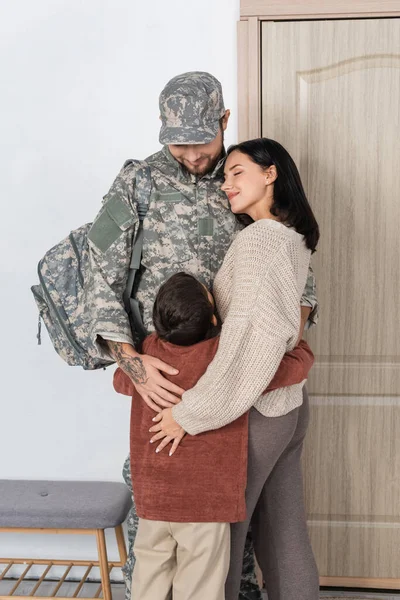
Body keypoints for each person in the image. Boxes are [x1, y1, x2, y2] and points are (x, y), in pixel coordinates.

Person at [85, 72, 319, 600]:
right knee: (158, 529)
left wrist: (288, 354)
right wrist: (134, 367)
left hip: (240, 383)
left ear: (223, 121)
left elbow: (298, 283)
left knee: (227, 535)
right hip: (165, 380)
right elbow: (97, 273)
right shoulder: (137, 184)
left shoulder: (243, 182)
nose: (191, 153)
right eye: (178, 141)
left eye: (201, 139)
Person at [150, 138, 321, 600]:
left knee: (219, 533)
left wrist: (189, 413)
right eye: (224, 176)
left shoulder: (261, 241)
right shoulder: (290, 238)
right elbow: (286, 327)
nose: (226, 184)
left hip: (258, 412)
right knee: (284, 530)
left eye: (237, 172)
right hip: (286, 407)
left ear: (271, 174)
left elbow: (249, 341)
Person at [114, 271, 314, 600]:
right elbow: (285, 370)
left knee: (148, 581)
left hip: (153, 499)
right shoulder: (225, 358)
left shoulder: (147, 357)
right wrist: (302, 348)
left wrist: (137, 362)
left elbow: (120, 383)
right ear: (212, 315)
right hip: (204, 504)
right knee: (201, 587)